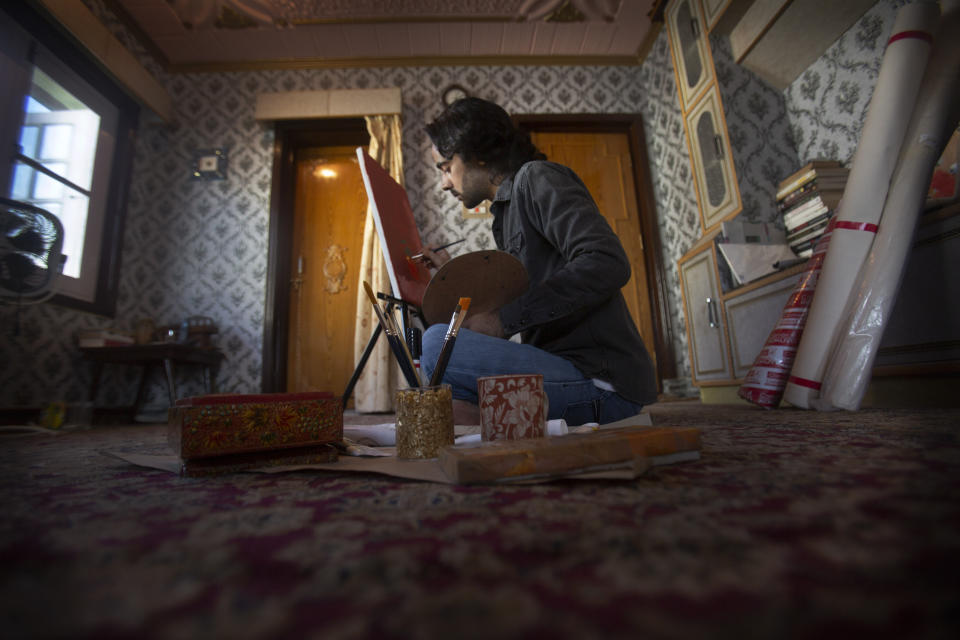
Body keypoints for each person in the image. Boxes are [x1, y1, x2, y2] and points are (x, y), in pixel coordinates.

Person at [419, 97, 657, 426]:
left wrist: (503, 320)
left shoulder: (537, 178)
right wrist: (450, 274)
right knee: (441, 348)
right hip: (561, 365)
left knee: (436, 344)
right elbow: (529, 298)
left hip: (602, 382)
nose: (444, 183)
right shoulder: (505, 214)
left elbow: (607, 261)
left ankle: (484, 416)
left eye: (446, 167)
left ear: (478, 154)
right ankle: (489, 416)